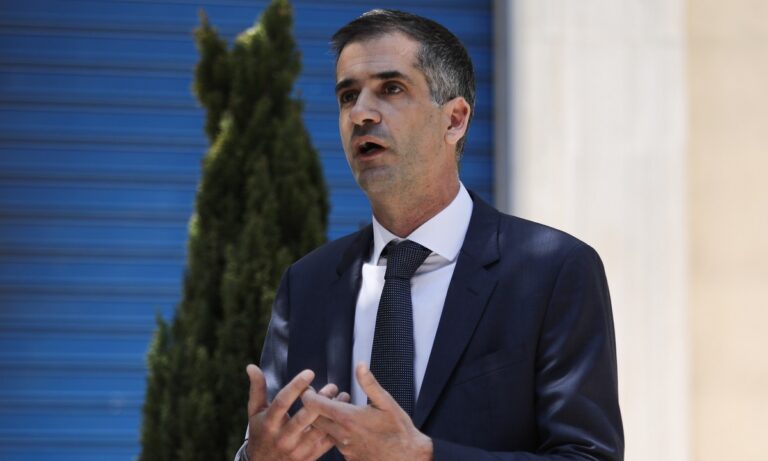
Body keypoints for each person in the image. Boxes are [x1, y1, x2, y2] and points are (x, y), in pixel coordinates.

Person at [235, 9, 623, 461]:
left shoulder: (554, 271)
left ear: (454, 120)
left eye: (391, 89)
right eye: (347, 96)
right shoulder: (307, 285)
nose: (360, 113)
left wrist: (424, 455)